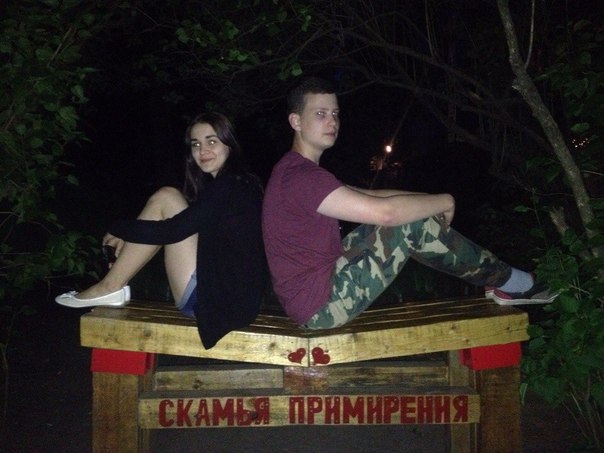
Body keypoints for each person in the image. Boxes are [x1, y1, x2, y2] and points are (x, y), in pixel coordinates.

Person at [262, 76, 556, 330]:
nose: (332, 122)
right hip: (321, 306)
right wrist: (445, 200)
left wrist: (426, 200)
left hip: (315, 292)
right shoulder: (301, 177)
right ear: (296, 121)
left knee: (411, 216)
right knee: (407, 225)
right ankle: (514, 283)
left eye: (335, 113)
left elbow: (369, 196)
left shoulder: (297, 171)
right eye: (320, 114)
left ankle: (507, 281)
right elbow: (387, 214)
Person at [56, 112, 268, 348]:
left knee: (166, 198)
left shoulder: (230, 186)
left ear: (229, 144)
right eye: (196, 144)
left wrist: (119, 228)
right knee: (168, 199)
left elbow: (171, 232)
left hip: (217, 306)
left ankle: (109, 286)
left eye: (211, 141)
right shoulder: (239, 184)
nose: (202, 150)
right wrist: (130, 233)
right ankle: (111, 286)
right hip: (232, 301)